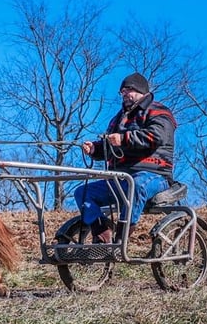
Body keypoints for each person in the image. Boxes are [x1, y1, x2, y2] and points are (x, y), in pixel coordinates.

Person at [73, 72, 177, 244]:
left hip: (154, 175)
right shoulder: (118, 119)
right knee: (82, 192)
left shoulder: (159, 112)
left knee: (135, 184)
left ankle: (122, 238)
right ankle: (102, 234)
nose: (125, 94)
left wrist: (124, 138)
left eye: (129, 90)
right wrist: (94, 148)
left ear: (141, 91)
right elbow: (109, 146)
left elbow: (156, 136)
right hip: (120, 177)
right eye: (122, 92)